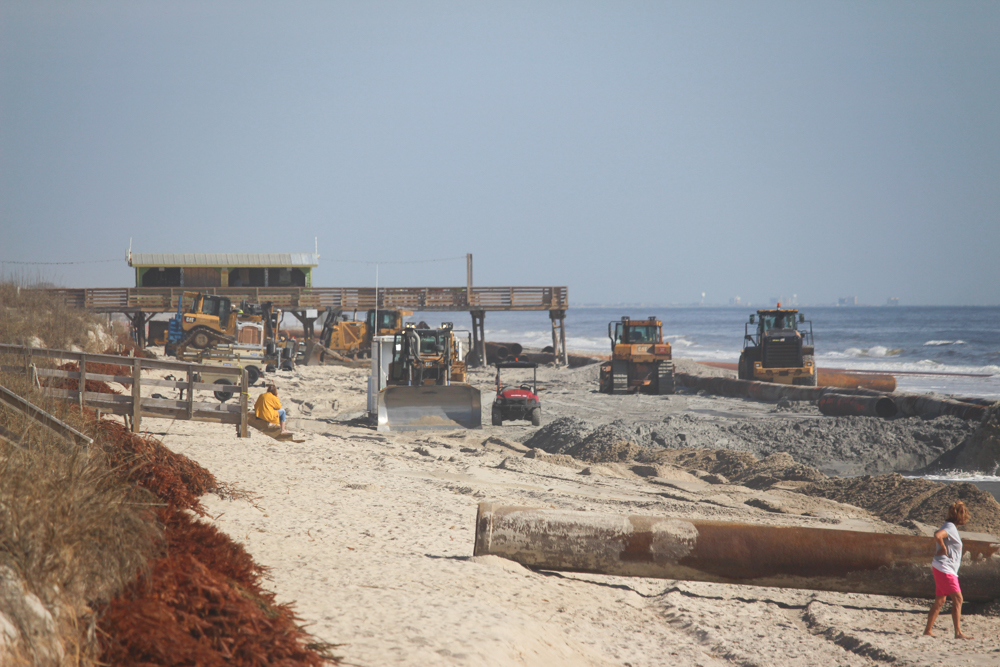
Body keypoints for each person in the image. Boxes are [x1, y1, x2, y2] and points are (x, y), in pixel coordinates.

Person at [923, 500, 974, 639]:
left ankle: (928, 630)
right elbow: (937, 535)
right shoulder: (950, 527)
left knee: (940, 600)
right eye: (965, 514)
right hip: (945, 568)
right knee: (958, 599)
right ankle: (958, 632)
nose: (966, 517)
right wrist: (943, 548)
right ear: (960, 516)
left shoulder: (950, 526)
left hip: (942, 567)